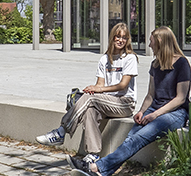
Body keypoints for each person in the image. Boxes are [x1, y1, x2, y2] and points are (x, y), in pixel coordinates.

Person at [71, 26, 191, 176]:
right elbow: (150, 95)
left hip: (175, 113)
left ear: (160, 42)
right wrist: (142, 111)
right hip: (154, 110)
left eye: (151, 42)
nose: (149, 45)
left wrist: (154, 115)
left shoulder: (182, 64)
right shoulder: (155, 64)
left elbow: (180, 98)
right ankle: (102, 175)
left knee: (137, 138)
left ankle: (96, 167)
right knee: (130, 139)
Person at [36, 22, 138, 166]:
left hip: (125, 103)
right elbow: (100, 85)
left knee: (91, 99)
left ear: (128, 40)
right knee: (90, 110)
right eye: (117, 37)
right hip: (106, 101)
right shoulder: (104, 59)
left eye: (124, 37)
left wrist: (98, 91)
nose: (120, 40)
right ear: (112, 38)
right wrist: (91, 89)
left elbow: (123, 85)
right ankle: (93, 155)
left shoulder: (130, 58)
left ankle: (62, 131)